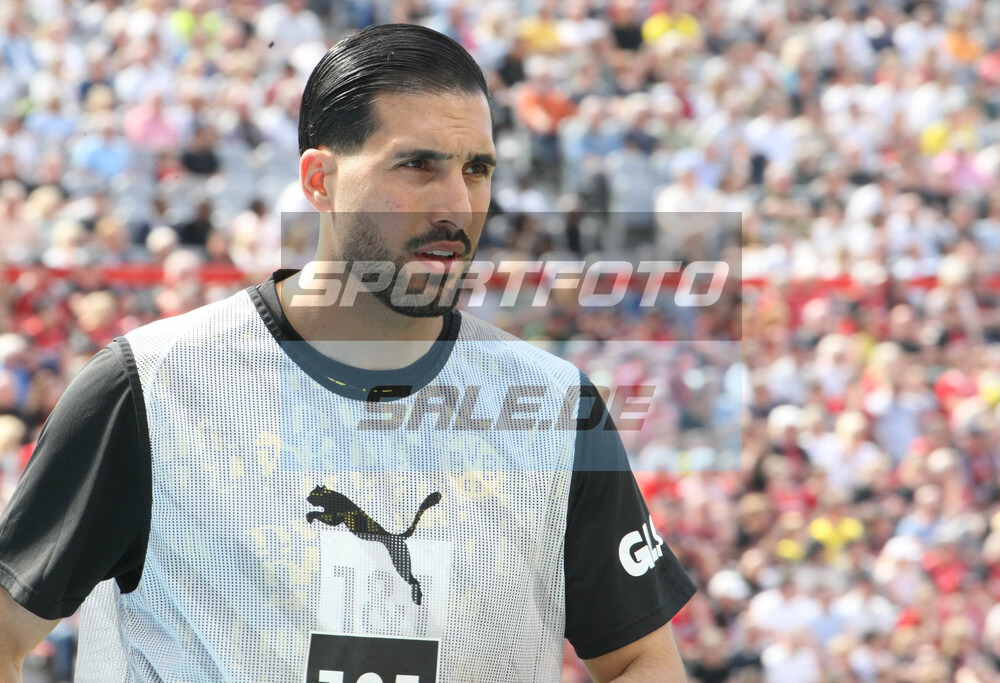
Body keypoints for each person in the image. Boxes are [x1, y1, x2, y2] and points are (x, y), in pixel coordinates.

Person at [0, 24, 694, 682]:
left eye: (477, 168)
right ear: (319, 181)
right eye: (417, 165)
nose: (457, 203)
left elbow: (643, 658)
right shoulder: (147, 388)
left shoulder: (557, 407)